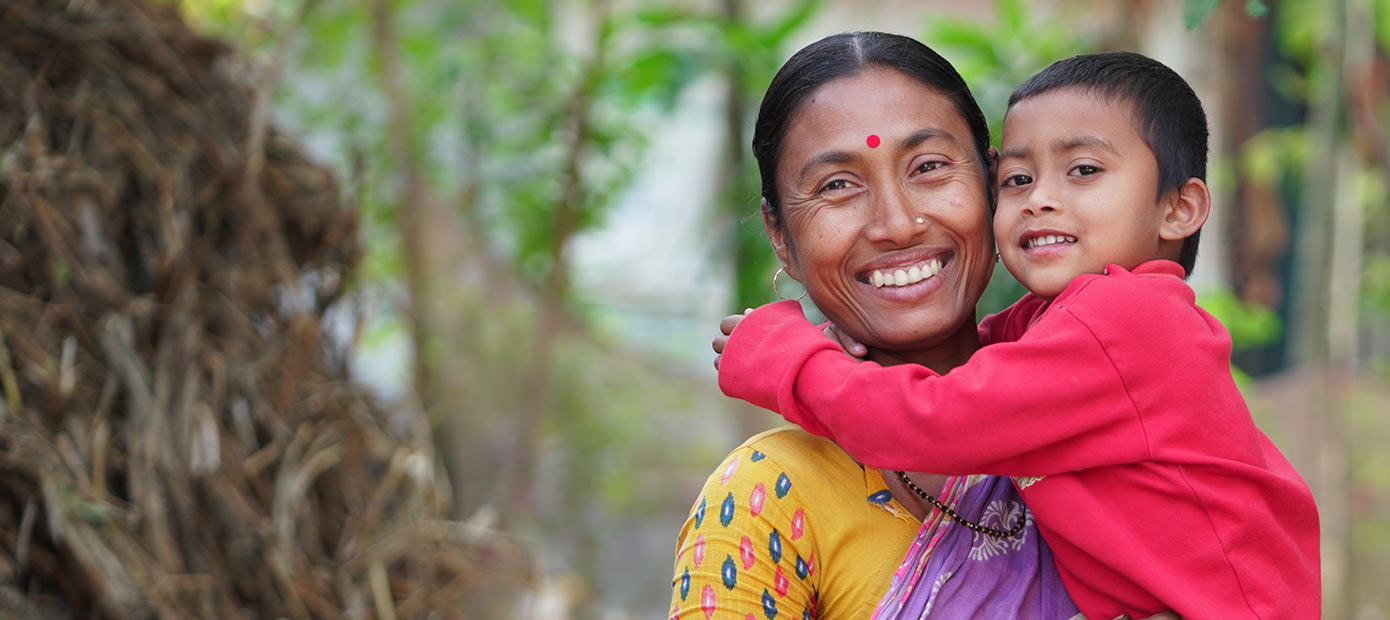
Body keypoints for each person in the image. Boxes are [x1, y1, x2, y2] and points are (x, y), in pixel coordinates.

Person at [714, 52, 1321, 619]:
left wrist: (788, 358)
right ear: (779, 232)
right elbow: (986, 362)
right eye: (1019, 179)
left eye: (1083, 170)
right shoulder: (1063, 327)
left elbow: (935, 419)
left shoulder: (1124, 324)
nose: (1041, 200)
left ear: (1178, 208)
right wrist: (843, 343)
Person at [669, 32, 1086, 619]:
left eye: (930, 166)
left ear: (995, 184)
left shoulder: (1098, 402)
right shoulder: (767, 497)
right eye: (838, 185)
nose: (896, 223)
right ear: (780, 236)